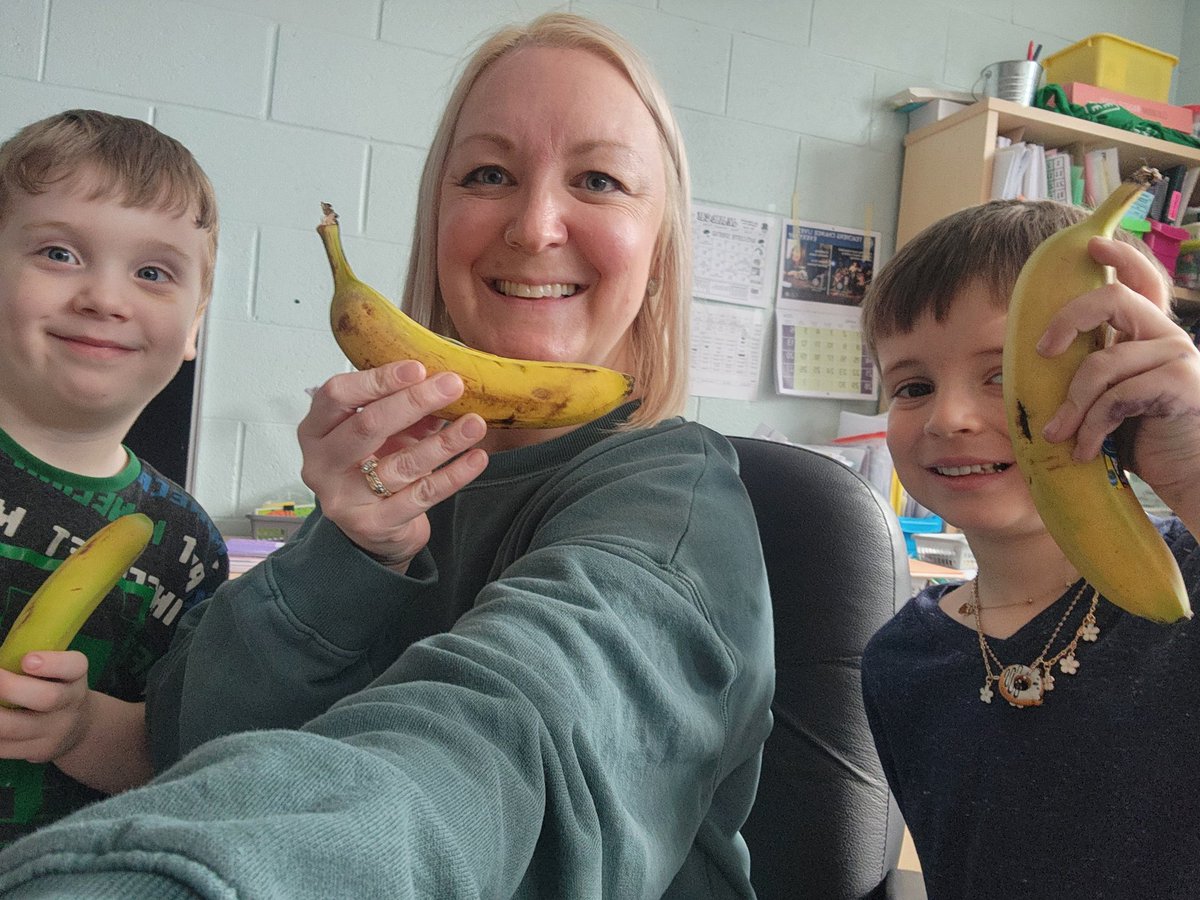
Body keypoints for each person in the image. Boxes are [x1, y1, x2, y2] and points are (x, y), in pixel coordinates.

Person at [0, 14, 774, 898]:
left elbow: (498, 741)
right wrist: (348, 552)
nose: (534, 225)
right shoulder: (389, 483)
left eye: (599, 180)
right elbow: (185, 744)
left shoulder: (675, 503)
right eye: (489, 174)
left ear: (661, 244)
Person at [858, 199, 1200, 897]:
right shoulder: (900, 659)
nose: (949, 418)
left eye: (1002, 372)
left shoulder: (1188, 585)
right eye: (913, 386)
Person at [0, 109, 229, 843]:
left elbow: (170, 754)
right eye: (60, 254)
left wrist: (78, 727)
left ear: (193, 326)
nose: (105, 297)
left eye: (153, 272)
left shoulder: (189, 546)